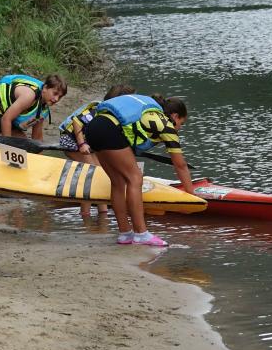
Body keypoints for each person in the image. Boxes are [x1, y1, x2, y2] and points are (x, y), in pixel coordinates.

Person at [82, 93, 195, 247]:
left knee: (118, 182)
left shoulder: (147, 114)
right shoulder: (167, 126)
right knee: (135, 179)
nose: (180, 128)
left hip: (93, 128)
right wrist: (192, 198)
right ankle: (141, 234)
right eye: (181, 123)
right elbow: (180, 165)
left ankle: (125, 234)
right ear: (175, 116)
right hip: (109, 130)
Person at [58, 84, 136, 216]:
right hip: (71, 140)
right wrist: (81, 144)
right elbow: (77, 122)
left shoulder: (113, 113)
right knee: (93, 174)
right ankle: (85, 213)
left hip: (89, 142)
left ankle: (103, 211)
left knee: (100, 173)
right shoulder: (100, 110)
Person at [0, 74, 67, 140]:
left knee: (22, 141)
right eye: (55, 94)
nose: (56, 99)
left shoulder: (44, 109)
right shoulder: (29, 96)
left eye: (60, 96)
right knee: (2, 141)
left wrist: (40, 159)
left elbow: (37, 138)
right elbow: (6, 119)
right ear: (45, 88)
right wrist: (8, 148)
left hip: (5, 109)